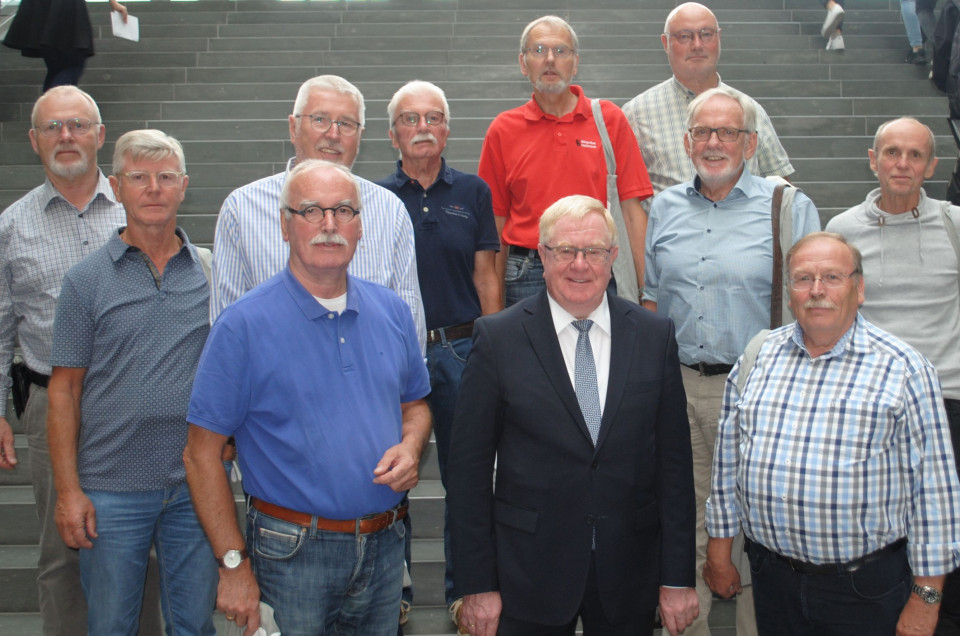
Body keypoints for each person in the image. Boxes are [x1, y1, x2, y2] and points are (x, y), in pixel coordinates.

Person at [183, 160, 432, 636]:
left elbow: (415, 405)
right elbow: (200, 456)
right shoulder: (242, 326)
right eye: (311, 211)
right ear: (284, 224)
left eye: (343, 211)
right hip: (290, 552)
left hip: (384, 546)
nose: (329, 225)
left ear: (361, 226)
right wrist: (233, 565)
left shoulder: (392, 311)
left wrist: (412, 445)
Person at [447, 195, 698, 635]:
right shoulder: (497, 338)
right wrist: (477, 583)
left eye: (594, 252)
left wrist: (676, 577)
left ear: (613, 257)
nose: (579, 265)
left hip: (629, 572)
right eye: (565, 251)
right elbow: (467, 475)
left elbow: (674, 469)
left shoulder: (654, 336)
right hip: (528, 572)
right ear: (542, 256)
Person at [705, 231, 960, 636]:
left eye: (832, 278)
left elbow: (936, 494)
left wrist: (926, 599)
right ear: (790, 293)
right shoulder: (759, 356)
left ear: (858, 290)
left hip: (865, 590)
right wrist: (719, 552)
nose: (816, 291)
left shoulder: (904, 370)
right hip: (773, 581)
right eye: (803, 279)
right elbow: (727, 464)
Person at [643, 86, 821, 636]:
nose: (713, 143)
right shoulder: (666, 207)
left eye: (726, 132)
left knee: (763, 529)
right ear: (686, 141)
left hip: (757, 390)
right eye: (702, 132)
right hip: (677, 386)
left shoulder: (787, 205)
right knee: (685, 520)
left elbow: (816, 303)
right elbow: (652, 300)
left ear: (750, 143)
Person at [0, 85, 161, 636]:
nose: (65, 136)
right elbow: (1, 328)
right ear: (34, 140)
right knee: (62, 548)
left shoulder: (141, 205)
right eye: (52, 127)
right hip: (49, 404)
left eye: (76, 125)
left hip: (135, 405)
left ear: (99, 135)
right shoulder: (12, 226)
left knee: (141, 543)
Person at [47, 129, 217, 635]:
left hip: (194, 486)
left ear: (184, 186)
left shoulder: (209, 271)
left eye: (166, 177)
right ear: (116, 187)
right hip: (110, 487)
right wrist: (68, 492)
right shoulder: (85, 280)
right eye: (139, 178)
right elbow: (64, 390)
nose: (153, 189)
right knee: (112, 626)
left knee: (194, 625)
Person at [826, 117, 960, 634]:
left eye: (914, 155)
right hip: (869, 404)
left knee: (945, 524)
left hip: (947, 400)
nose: (902, 164)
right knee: (881, 533)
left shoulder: (953, 224)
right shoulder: (842, 229)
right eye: (892, 153)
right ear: (873, 159)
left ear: (931, 166)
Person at [375, 79, 501, 628]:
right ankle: (391, 592)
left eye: (433, 117)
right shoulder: (371, 197)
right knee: (388, 473)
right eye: (410, 118)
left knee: (467, 475)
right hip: (394, 356)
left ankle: (463, 588)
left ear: (447, 128)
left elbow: (487, 275)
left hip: (459, 349)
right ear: (392, 134)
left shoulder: (473, 193)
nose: (422, 127)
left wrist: (494, 349)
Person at [211, 74, 425, 350]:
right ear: (293, 127)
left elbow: (409, 315)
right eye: (320, 119)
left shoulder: (390, 210)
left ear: (360, 135)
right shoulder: (241, 210)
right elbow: (226, 326)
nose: (333, 134)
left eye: (346, 124)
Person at [478, 16, 653, 306]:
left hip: (596, 266)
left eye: (561, 51)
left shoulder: (609, 120)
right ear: (523, 64)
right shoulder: (503, 129)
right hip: (527, 273)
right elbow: (495, 225)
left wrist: (649, 294)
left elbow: (633, 213)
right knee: (530, 354)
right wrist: (493, 311)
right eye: (538, 50)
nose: (550, 59)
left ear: (575, 63)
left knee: (598, 351)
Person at [621, 2, 793, 207]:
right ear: (665, 43)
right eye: (684, 36)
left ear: (719, 38)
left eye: (706, 34)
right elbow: (627, 200)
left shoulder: (749, 109)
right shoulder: (636, 115)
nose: (697, 45)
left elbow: (781, 188)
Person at [2, 0, 127, 90]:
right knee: (73, 65)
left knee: (56, 68)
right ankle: (52, 113)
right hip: (65, 6)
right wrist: (113, 2)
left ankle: (46, 118)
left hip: (39, 6)